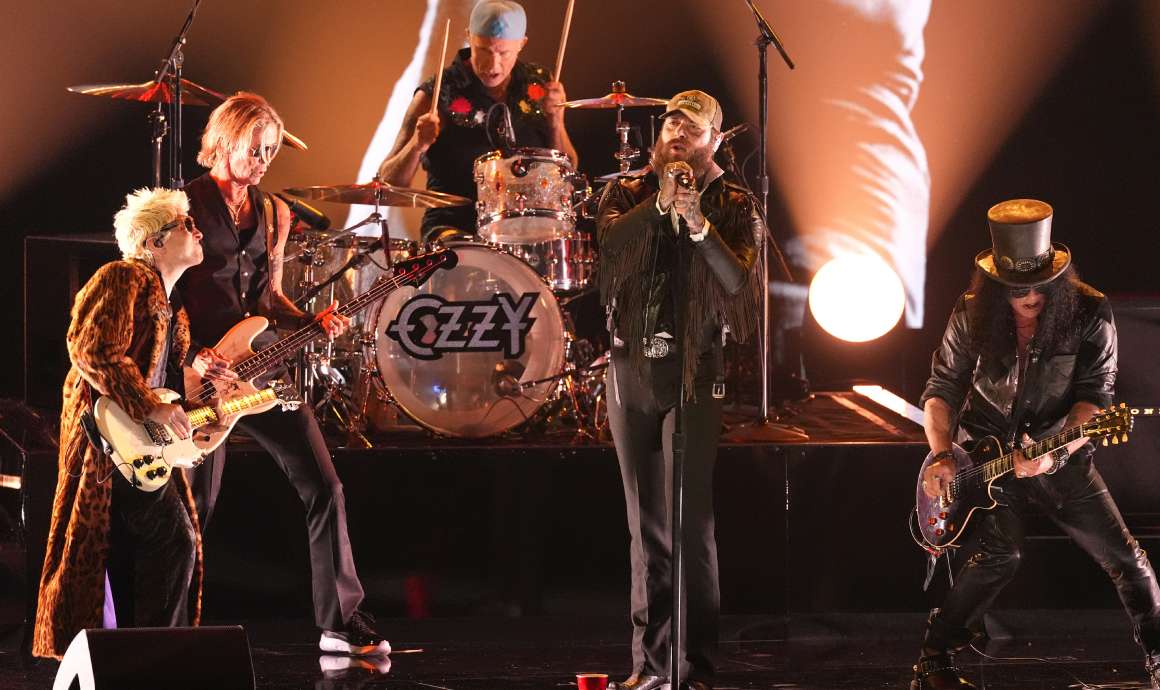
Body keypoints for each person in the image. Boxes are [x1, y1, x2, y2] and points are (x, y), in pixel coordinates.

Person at [913, 199, 1160, 690]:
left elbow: (1095, 397)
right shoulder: (969, 312)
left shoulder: (1089, 309)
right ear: (996, 286)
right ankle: (934, 657)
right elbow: (941, 389)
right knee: (1001, 555)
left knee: (1124, 554)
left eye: (1039, 289)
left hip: (1061, 452)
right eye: (1016, 291)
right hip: (984, 458)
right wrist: (941, 453)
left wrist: (1055, 450)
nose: (1030, 299)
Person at [179, 92, 390, 656]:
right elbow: (161, 293)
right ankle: (172, 628)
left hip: (260, 369)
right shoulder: (183, 205)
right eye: (257, 146)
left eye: (272, 149)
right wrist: (193, 356)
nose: (266, 158)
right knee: (194, 504)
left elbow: (268, 295)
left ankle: (340, 623)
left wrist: (311, 320)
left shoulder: (274, 212)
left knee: (324, 484)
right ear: (225, 140)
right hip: (198, 373)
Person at [596, 90, 763, 690]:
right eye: (669, 122)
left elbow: (741, 282)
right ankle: (649, 667)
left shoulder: (734, 201)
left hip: (693, 372)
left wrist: (697, 224)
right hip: (630, 370)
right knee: (645, 528)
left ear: (715, 140)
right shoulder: (626, 191)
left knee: (690, 525)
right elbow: (607, 256)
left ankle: (694, 671)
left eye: (691, 128)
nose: (675, 133)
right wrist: (659, 204)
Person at [33, 188, 215, 658]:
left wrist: (213, 387)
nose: (196, 230)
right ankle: (158, 658)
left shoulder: (174, 308)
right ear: (154, 242)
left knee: (152, 550)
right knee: (173, 540)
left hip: (140, 448)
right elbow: (91, 348)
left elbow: (169, 385)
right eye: (184, 225)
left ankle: (143, 656)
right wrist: (148, 405)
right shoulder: (123, 277)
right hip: (105, 446)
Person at [379, 0, 578, 235]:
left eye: (503, 53)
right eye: (484, 50)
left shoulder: (540, 84)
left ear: (521, 44)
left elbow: (568, 172)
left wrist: (556, 122)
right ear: (469, 37)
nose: (493, 64)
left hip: (525, 232)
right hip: (452, 230)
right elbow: (388, 184)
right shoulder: (436, 93)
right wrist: (417, 145)